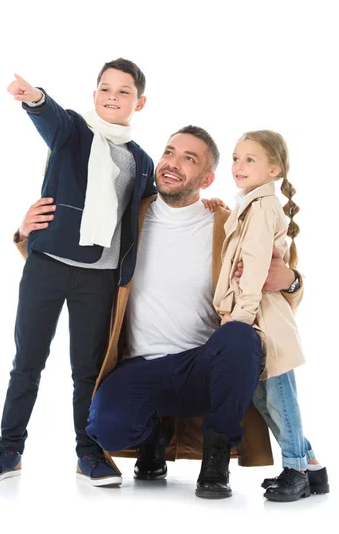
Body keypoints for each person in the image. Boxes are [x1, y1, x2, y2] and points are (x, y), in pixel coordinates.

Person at [79, 125, 302, 499]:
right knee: (106, 428)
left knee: (240, 336)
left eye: (189, 158)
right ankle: (155, 435)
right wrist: (28, 236)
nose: (172, 163)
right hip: (139, 366)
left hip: (205, 369)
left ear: (207, 178)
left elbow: (279, 289)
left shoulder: (228, 223)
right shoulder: (130, 219)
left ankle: (214, 460)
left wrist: (290, 280)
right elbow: (81, 262)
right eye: (169, 152)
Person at [0, 58, 156, 486]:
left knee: (87, 370)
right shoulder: (72, 131)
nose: (113, 96)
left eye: (124, 91)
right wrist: (34, 97)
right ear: (94, 96)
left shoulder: (140, 162)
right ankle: (8, 449)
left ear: (139, 102)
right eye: (105, 89)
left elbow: (154, 210)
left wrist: (213, 205)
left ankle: (89, 453)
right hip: (47, 267)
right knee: (27, 363)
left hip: (100, 278)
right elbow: (47, 115)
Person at [213, 130, 329, 502]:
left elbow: (256, 268)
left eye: (250, 159)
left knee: (280, 397)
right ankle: (312, 468)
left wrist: (241, 317)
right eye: (235, 157)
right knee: (263, 400)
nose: (238, 165)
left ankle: (294, 469)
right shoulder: (249, 206)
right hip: (254, 315)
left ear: (274, 168)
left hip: (265, 319)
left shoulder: (263, 207)